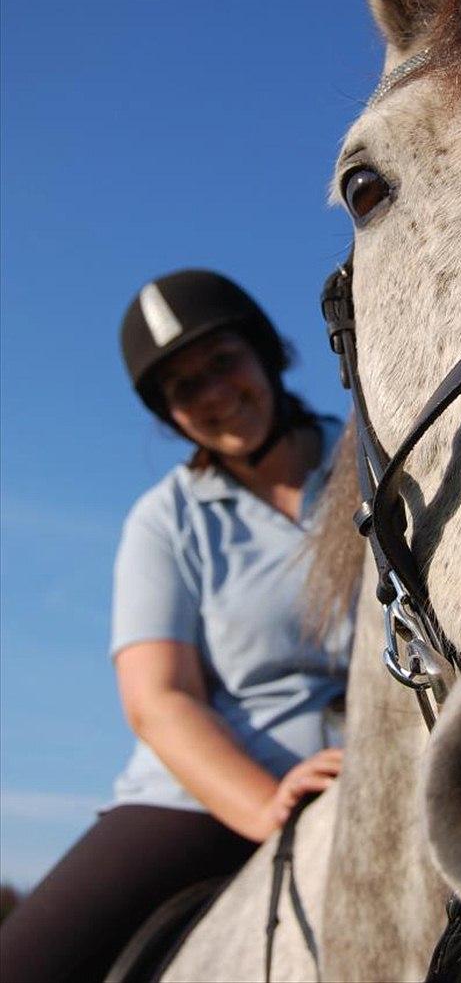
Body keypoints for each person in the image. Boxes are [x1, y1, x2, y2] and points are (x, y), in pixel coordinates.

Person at [0, 269, 351, 983]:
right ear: (169, 415)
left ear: (264, 353)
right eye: (184, 388)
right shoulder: (166, 520)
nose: (216, 394)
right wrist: (266, 805)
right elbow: (158, 700)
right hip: (212, 796)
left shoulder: (374, 459)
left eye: (224, 362)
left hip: (393, 756)